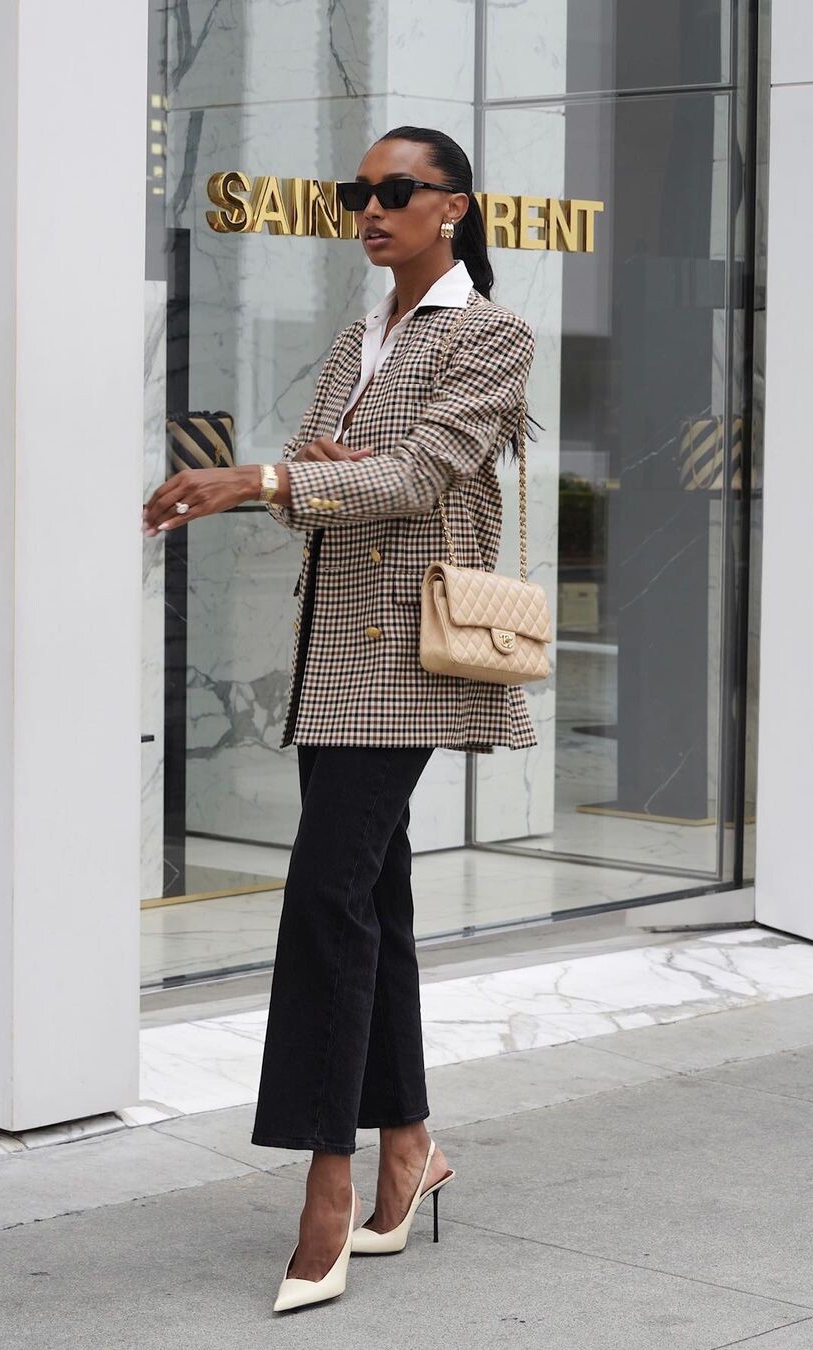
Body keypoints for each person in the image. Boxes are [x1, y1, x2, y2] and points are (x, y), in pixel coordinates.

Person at [142, 125, 536, 1313]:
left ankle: (328, 1180)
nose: (369, 207)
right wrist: (310, 476)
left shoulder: (490, 335)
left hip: (408, 660)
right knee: (373, 898)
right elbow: (329, 494)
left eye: (394, 190)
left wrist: (273, 475)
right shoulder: (355, 338)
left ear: (452, 207)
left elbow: (414, 477)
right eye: (355, 191)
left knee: (325, 898)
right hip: (332, 660)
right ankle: (409, 1145)